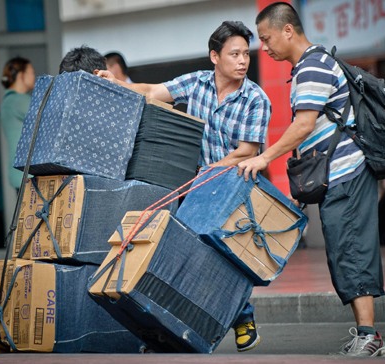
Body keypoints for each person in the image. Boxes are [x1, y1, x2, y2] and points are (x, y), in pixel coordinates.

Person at [98, 21, 272, 352]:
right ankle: (189, 327)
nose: (242, 61)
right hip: (199, 187)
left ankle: (243, 318)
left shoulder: (256, 98)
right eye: (234, 54)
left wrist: (207, 172)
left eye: (245, 54)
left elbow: (247, 152)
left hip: (237, 187)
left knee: (226, 256)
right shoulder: (197, 83)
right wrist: (117, 83)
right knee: (192, 254)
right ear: (214, 56)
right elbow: (151, 92)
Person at [237, 3, 385, 357]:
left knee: (351, 248)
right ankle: (366, 334)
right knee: (343, 249)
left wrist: (264, 158)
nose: (265, 47)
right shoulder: (308, 66)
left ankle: (370, 336)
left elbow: (304, 125)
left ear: (287, 30)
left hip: (347, 173)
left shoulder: (313, 67)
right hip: (339, 175)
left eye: (267, 38)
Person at [0, 57, 36, 191]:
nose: (34, 76)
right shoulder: (18, 101)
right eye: (31, 72)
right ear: (21, 75)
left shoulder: (8, 100)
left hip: (20, 173)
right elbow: (47, 119)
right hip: (28, 175)